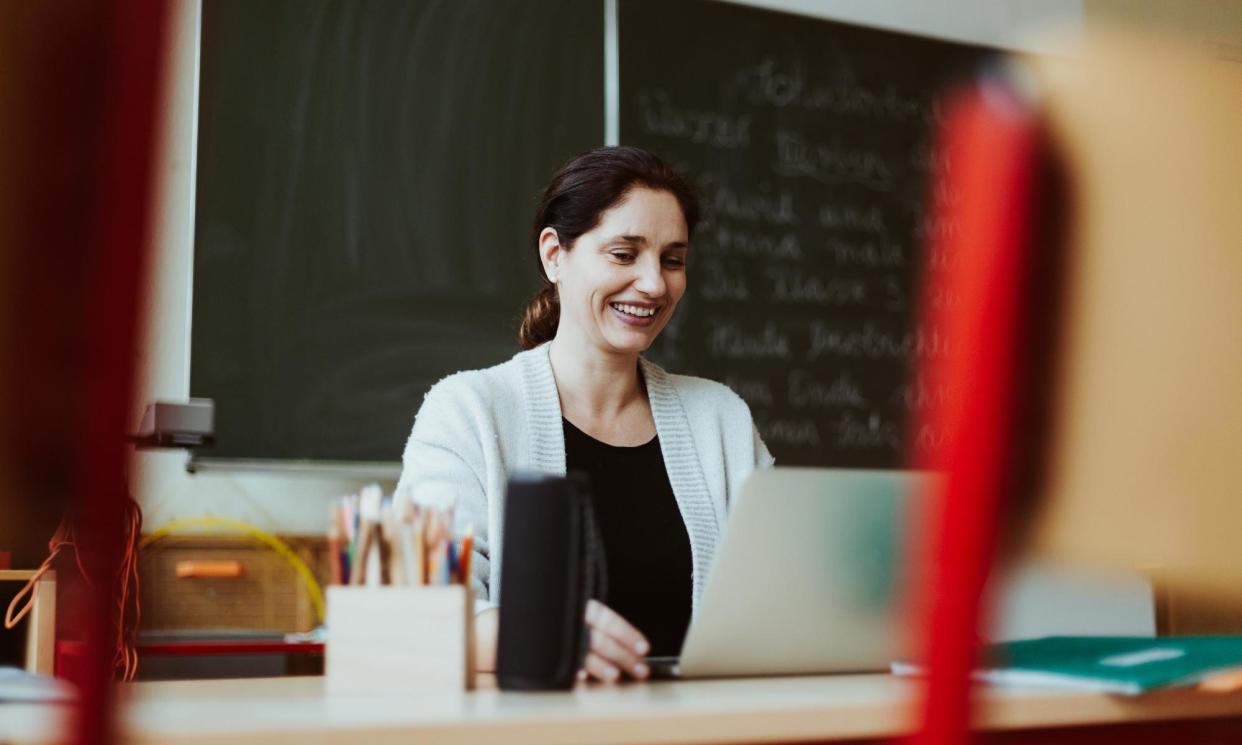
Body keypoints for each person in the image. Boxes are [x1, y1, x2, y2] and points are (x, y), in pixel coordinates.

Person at [396, 146, 772, 683]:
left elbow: (779, 601)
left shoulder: (722, 419)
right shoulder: (469, 412)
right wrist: (545, 636)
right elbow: (418, 609)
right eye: (624, 254)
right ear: (554, 255)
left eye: (672, 259)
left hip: (705, 730)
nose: (655, 284)